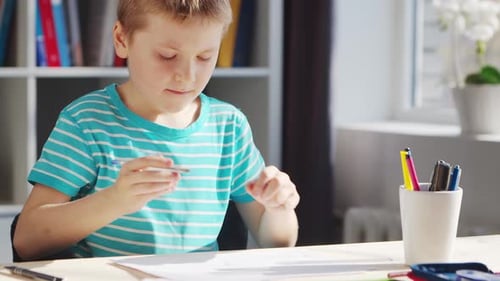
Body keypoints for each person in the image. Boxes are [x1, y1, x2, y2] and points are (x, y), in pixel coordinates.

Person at [13, 0, 300, 260]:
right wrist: (115, 200)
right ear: (121, 39)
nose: (187, 75)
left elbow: (276, 242)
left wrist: (278, 208)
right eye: (167, 55)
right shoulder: (87, 121)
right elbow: (28, 240)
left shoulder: (229, 126)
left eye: (204, 57)